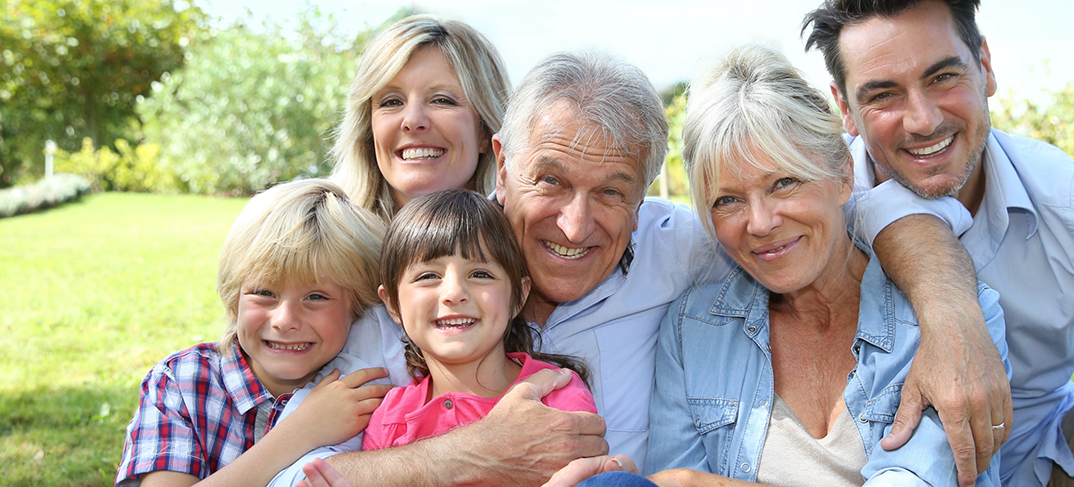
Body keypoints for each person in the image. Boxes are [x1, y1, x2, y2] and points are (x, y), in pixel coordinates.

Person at [269, 50, 1005, 487]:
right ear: (501, 162)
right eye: (550, 181)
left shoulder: (688, 251)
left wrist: (948, 304)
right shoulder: (423, 289)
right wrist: (471, 452)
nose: (575, 224)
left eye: (611, 193)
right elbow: (290, 479)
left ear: (647, 192)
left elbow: (849, 212)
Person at [641, 44, 1007, 487]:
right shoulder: (693, 328)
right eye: (728, 200)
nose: (759, 223)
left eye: (784, 182)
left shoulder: (955, 322)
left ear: (843, 176)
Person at [803, 1, 1074, 484]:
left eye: (943, 77)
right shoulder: (806, 212)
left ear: (985, 67)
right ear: (844, 109)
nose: (923, 121)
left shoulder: (1063, 205)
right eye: (883, 95)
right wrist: (952, 315)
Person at [114, 179, 393, 487]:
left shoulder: (371, 391)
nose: (285, 320)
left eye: (315, 297)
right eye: (264, 293)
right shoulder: (183, 383)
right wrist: (301, 432)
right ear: (234, 297)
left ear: (357, 306)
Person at [362, 189, 595, 451]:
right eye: (428, 276)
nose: (454, 293)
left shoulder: (556, 393)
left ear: (518, 297)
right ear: (393, 303)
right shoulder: (389, 420)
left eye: (480, 274)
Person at [329, 14, 512, 219]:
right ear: (368, 129)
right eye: (392, 102)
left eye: (441, 100)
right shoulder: (311, 244)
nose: (413, 121)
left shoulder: (528, 246)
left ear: (485, 132)